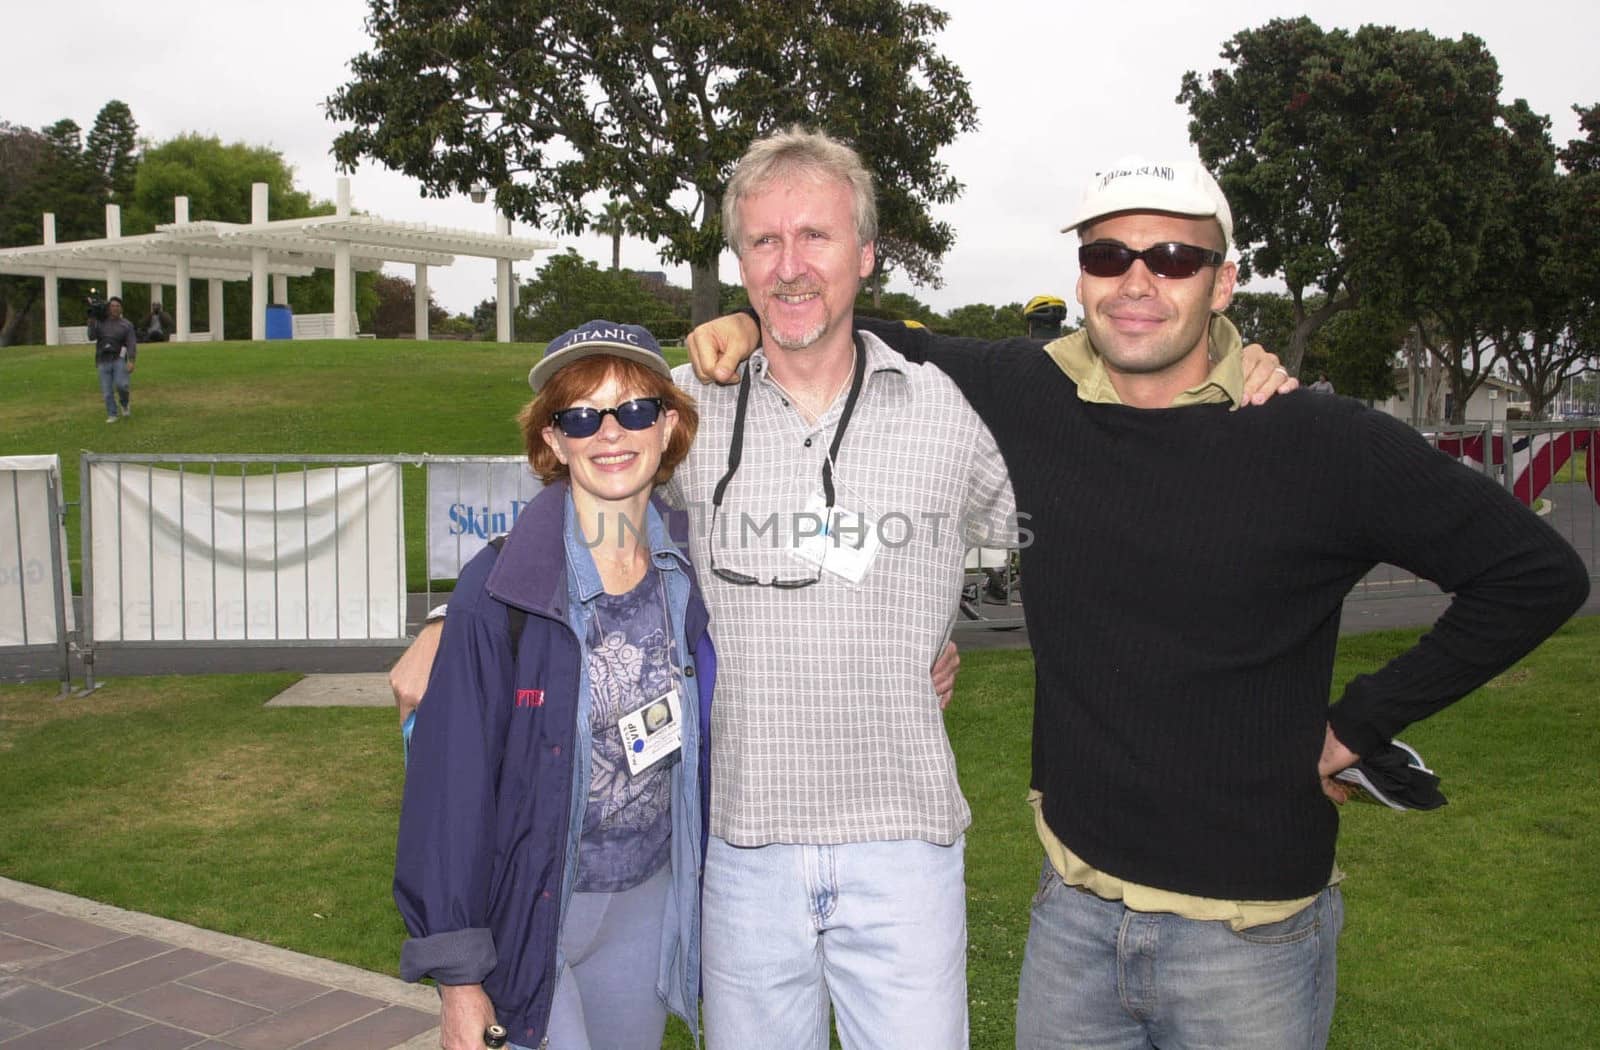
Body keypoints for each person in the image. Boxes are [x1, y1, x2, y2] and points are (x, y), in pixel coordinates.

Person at [390, 131, 1292, 1050]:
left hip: (905, 846)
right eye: (765, 242)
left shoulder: (954, 408)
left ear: (865, 255)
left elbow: (1116, 495)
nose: (790, 267)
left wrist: (1220, 367)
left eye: (815, 237)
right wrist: (448, 619)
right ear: (738, 262)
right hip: (741, 851)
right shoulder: (687, 411)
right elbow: (580, 507)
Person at [689, 154, 1590, 1049]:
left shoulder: (1317, 438)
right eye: (1108, 257)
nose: (1137, 281)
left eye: (1174, 258)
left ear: (1224, 282)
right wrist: (747, 310)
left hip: (1250, 942)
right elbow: (853, 320)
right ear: (1081, 279)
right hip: (1072, 917)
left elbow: (1534, 575)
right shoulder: (1031, 395)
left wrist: (1359, 724)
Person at [394, 319, 715, 1050]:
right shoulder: (499, 590)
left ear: (668, 428)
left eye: (634, 410)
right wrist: (458, 980)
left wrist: (920, 648)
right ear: (551, 441)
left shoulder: (694, 572)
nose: (611, 432)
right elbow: (450, 792)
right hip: (531, 909)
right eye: (580, 415)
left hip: (644, 900)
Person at [90, 296, 137, 423]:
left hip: (118, 358)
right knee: (107, 391)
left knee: (123, 385)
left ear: (121, 309)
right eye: (112, 306)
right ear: (108, 308)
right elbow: (91, 336)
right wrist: (92, 319)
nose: (115, 308)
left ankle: (124, 403)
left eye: (117, 306)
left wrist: (131, 360)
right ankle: (112, 414)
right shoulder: (101, 322)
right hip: (103, 358)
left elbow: (131, 343)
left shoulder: (126, 325)